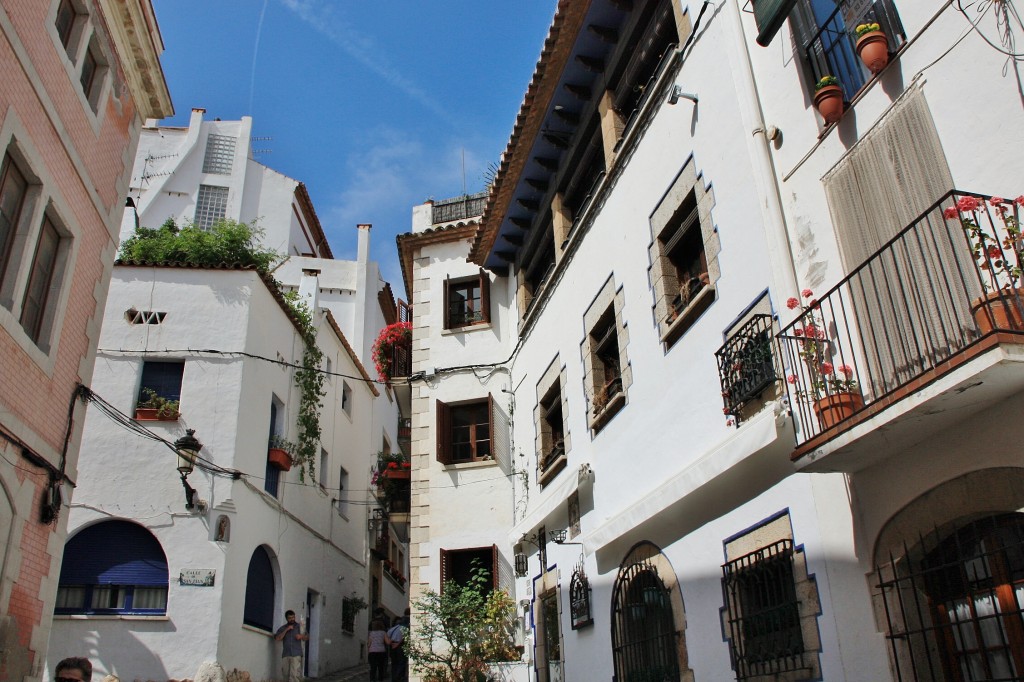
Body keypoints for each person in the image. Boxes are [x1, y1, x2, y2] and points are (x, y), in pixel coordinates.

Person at [274, 610, 308, 682]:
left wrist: (301, 636)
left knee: (295, 676)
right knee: (285, 675)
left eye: (293, 617)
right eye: (290, 618)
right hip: (286, 654)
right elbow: (277, 638)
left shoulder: (299, 626)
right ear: (286, 618)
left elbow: (307, 637)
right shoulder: (282, 628)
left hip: (296, 654)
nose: (292, 619)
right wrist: (287, 629)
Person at [385, 615, 409, 682]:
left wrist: (390, 642)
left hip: (392, 646)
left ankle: (394, 678)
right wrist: (398, 644)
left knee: (394, 663)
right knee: (402, 662)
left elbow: (387, 635)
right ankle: (398, 677)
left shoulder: (393, 628)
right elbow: (405, 637)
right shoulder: (405, 628)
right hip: (400, 646)